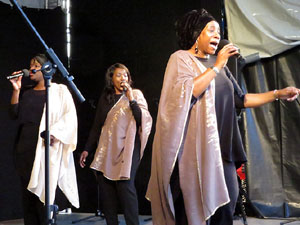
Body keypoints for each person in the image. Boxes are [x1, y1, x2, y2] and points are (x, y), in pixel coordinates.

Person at [146, 9, 300, 225]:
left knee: (225, 209)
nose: (217, 35)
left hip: (223, 149)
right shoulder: (181, 59)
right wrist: (217, 66)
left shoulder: (220, 66)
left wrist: (278, 94)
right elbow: (187, 92)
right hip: (193, 153)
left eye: (219, 31)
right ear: (196, 34)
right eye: (211, 30)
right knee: (191, 212)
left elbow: (242, 100)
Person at [9, 53, 79, 225]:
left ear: (47, 69)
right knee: (28, 201)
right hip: (25, 150)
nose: (31, 68)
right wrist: (16, 90)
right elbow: (13, 114)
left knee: (44, 200)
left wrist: (55, 133)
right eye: (30, 64)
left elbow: (69, 118)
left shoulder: (59, 91)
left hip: (45, 149)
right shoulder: (26, 92)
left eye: (36, 65)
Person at [79, 63, 152, 225]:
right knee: (107, 192)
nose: (123, 78)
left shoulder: (136, 95)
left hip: (128, 149)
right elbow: (97, 126)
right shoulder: (106, 98)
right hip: (107, 149)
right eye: (118, 75)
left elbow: (142, 120)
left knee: (126, 188)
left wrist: (131, 97)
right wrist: (87, 149)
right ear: (111, 79)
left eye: (125, 75)